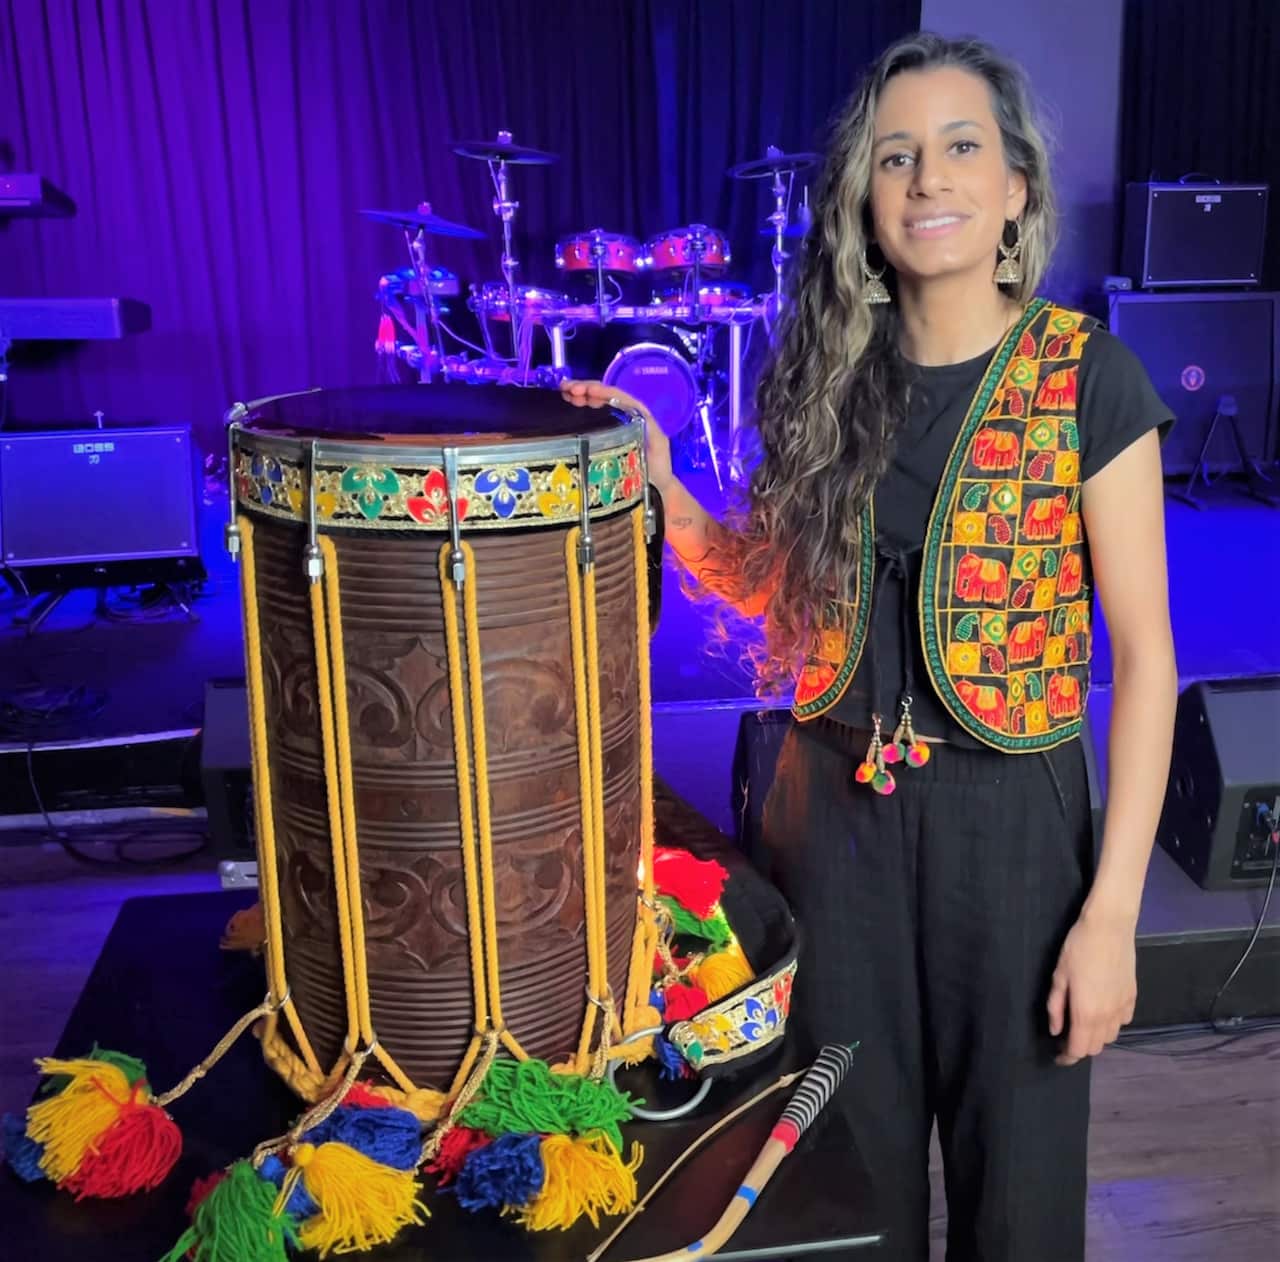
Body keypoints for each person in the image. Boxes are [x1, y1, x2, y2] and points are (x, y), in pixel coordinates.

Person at [565, 31, 1177, 1262]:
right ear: (859, 198)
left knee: (1017, 1203)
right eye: (893, 157)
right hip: (824, 822)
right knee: (840, 1186)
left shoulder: (1084, 376)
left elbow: (1147, 661)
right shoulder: (820, 379)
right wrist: (666, 485)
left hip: (1011, 830)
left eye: (960, 149)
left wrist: (1110, 916)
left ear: (1013, 188)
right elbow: (762, 586)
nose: (925, 179)